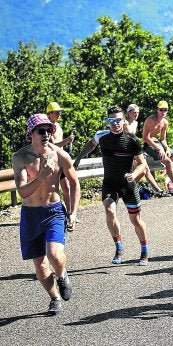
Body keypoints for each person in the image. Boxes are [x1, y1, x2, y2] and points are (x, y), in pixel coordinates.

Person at [12, 114, 79, 315]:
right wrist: (41, 175)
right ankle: (54, 298)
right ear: (31, 133)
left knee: (54, 255)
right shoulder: (20, 158)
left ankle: (62, 275)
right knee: (40, 266)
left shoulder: (60, 155)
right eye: (41, 131)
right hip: (30, 215)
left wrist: (73, 212)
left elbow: (74, 183)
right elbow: (23, 192)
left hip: (53, 212)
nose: (46, 134)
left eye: (49, 130)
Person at [74, 106, 151, 266]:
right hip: (110, 184)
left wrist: (133, 175)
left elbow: (142, 165)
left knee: (135, 220)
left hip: (128, 185)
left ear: (124, 121)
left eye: (118, 120)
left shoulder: (132, 140)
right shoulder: (102, 136)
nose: (115, 123)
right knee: (109, 210)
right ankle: (119, 248)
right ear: (108, 121)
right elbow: (91, 144)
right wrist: (78, 159)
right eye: (111, 121)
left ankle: (144, 250)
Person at [124, 104, 170, 197]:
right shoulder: (125, 123)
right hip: (126, 151)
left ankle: (157, 190)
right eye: (133, 113)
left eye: (137, 113)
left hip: (133, 150)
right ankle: (125, 189)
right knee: (144, 170)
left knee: (145, 170)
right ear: (128, 113)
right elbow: (130, 137)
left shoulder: (135, 123)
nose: (136, 115)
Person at [46, 102, 75, 213]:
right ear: (49, 113)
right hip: (52, 162)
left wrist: (66, 142)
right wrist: (66, 141)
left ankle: (69, 212)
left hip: (61, 161)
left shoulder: (57, 125)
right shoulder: (47, 128)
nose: (59, 115)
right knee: (52, 190)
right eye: (57, 112)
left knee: (66, 187)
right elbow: (52, 146)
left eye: (60, 112)